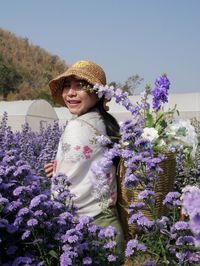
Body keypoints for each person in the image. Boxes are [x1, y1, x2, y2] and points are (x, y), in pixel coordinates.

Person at [44, 60, 125, 256]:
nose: (71, 93)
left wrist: (58, 175)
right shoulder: (105, 123)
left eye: (80, 86)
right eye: (67, 86)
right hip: (110, 231)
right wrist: (58, 168)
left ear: (97, 93)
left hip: (88, 235)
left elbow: (64, 191)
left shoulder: (78, 126)